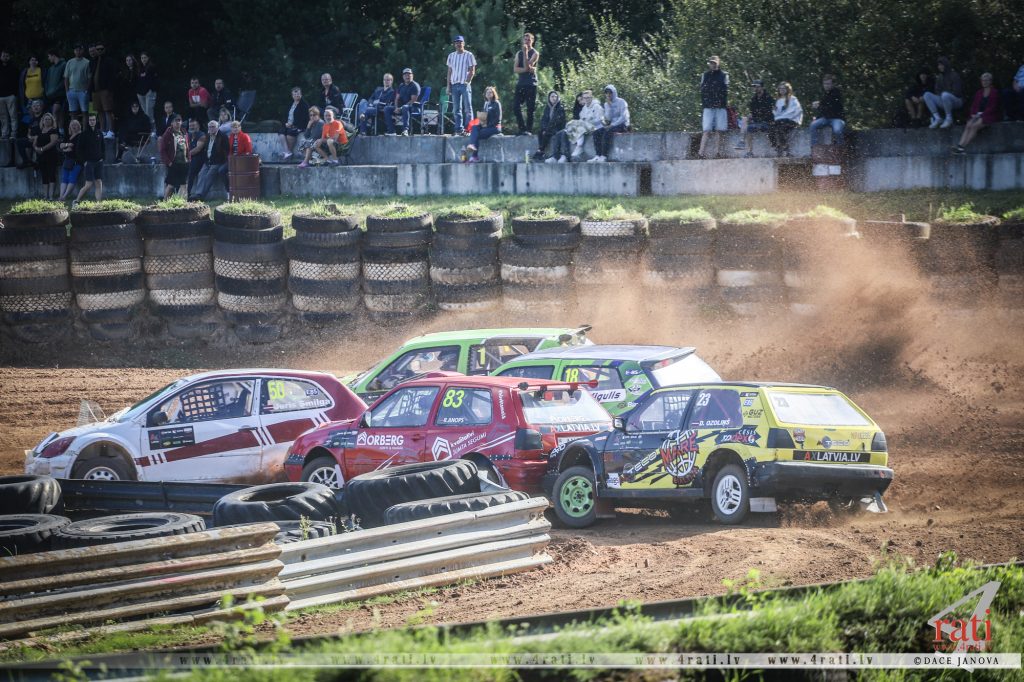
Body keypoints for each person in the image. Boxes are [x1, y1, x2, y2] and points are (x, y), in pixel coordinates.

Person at [953, 73, 1001, 154]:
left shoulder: (994, 92)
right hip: (977, 115)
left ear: (990, 81)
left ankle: (962, 147)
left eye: (986, 80)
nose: (984, 82)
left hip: (988, 115)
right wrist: (973, 114)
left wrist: (981, 115)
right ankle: (959, 145)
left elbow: (993, 107)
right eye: (983, 80)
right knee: (968, 124)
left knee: (975, 125)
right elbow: (974, 106)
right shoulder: (979, 92)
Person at [551, 89, 603, 162]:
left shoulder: (597, 106)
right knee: (569, 126)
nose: (586, 99)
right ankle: (560, 156)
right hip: (586, 127)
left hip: (596, 127)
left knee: (580, 125)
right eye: (584, 98)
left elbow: (599, 120)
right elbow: (581, 118)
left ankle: (579, 147)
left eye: (588, 98)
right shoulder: (584, 108)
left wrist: (587, 121)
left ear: (591, 98)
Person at [189, 119, 228, 200]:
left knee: (209, 176)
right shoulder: (207, 136)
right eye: (209, 127)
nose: (211, 128)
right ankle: (198, 194)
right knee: (201, 174)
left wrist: (221, 161)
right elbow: (206, 150)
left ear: (217, 127)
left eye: (213, 127)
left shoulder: (223, 136)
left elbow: (225, 151)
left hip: (217, 162)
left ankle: (201, 196)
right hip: (208, 161)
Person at [589, 84, 629, 163]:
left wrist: (612, 125)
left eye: (610, 93)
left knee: (608, 131)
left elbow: (623, 117)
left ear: (614, 93)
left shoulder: (621, 102)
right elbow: (608, 118)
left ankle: (604, 156)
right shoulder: (606, 104)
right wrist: (609, 106)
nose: (608, 95)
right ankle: (598, 155)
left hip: (623, 124)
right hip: (612, 125)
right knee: (596, 132)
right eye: (606, 93)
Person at [698, 55, 729, 159]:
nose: (713, 65)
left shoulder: (724, 75)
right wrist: (706, 102)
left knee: (719, 130)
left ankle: (717, 152)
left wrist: (720, 102)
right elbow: (702, 91)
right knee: (706, 130)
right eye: (711, 63)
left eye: (715, 63)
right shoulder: (705, 75)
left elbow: (725, 91)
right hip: (708, 107)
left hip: (720, 107)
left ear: (718, 63)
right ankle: (701, 153)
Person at [446, 35, 477, 134]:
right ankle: (459, 129)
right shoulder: (451, 56)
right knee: (456, 109)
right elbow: (449, 72)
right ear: (454, 44)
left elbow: (472, 71)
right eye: (456, 42)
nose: (458, 44)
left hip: (464, 84)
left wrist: (467, 82)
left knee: (468, 108)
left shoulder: (469, 55)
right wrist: (448, 86)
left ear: (464, 43)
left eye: (460, 42)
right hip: (454, 84)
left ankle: (469, 129)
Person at [735, 79, 773, 156]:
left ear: (762, 87)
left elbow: (768, 112)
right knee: (745, 119)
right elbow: (753, 112)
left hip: (767, 122)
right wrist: (750, 116)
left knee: (753, 126)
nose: (755, 88)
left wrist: (755, 115)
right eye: (754, 86)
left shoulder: (768, 98)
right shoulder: (753, 99)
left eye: (757, 86)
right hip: (757, 121)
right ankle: (745, 145)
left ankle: (769, 152)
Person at [924, 56, 964, 129]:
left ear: (946, 65)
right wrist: (942, 96)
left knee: (945, 95)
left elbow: (957, 92)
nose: (939, 67)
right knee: (927, 95)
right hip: (944, 99)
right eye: (939, 65)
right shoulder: (939, 77)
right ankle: (937, 118)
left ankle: (949, 119)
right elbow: (937, 91)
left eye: (941, 65)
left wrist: (945, 94)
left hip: (957, 100)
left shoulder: (954, 75)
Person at [464, 86, 501, 163]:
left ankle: (474, 156)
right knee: (474, 127)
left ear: (493, 94)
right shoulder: (486, 104)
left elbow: (498, 119)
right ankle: (472, 146)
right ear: (485, 94)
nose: (489, 94)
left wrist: (487, 125)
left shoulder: (496, 103)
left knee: (476, 135)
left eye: (490, 92)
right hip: (486, 126)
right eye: (487, 93)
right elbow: (484, 118)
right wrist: (480, 122)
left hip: (494, 127)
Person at [74, 112, 105, 204]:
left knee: (99, 182)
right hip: (89, 162)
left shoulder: (99, 133)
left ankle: (98, 204)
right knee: (89, 184)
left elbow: (103, 146)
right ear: (88, 121)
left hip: (99, 162)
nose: (92, 121)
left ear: (96, 121)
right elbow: (78, 149)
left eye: (93, 120)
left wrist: (102, 157)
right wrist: (84, 161)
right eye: (90, 120)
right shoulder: (84, 134)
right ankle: (76, 201)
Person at [512, 33, 539, 136]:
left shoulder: (535, 53)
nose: (527, 42)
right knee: (516, 107)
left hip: (531, 83)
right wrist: (526, 69)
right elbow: (516, 69)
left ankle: (529, 130)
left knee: (530, 109)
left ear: (532, 41)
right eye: (525, 40)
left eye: (529, 40)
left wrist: (526, 53)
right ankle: (522, 128)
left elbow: (527, 66)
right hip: (521, 83)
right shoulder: (518, 53)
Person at [808, 74, 845, 146]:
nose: (826, 85)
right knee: (813, 125)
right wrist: (817, 117)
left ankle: (841, 147)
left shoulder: (836, 93)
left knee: (837, 130)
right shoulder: (826, 93)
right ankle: (814, 147)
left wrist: (818, 106)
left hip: (837, 118)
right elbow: (824, 109)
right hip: (826, 118)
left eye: (828, 84)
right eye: (824, 84)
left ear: (833, 84)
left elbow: (830, 107)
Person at [159, 114, 189, 198]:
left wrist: (188, 159)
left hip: (184, 162)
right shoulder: (168, 134)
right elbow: (162, 150)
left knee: (184, 184)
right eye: (175, 120)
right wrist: (169, 162)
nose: (177, 122)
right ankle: (165, 202)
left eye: (179, 120)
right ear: (171, 123)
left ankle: (181, 203)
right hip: (173, 163)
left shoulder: (184, 133)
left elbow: (187, 147)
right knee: (171, 185)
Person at [90, 43, 117, 138]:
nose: (99, 51)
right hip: (95, 90)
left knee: (108, 110)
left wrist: (109, 88)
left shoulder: (109, 61)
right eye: (98, 49)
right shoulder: (93, 61)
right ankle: (103, 130)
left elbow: (113, 75)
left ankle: (111, 131)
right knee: (99, 111)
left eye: (101, 49)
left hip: (105, 90)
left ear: (104, 49)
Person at [769, 81, 802, 157]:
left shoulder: (793, 99)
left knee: (780, 128)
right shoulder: (778, 100)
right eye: (780, 89)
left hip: (791, 120)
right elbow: (777, 113)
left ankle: (784, 147)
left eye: (784, 89)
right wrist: (775, 112)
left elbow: (798, 110)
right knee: (770, 129)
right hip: (780, 120)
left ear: (787, 90)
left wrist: (794, 119)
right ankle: (777, 146)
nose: (782, 90)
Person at [385, 68, 420, 136]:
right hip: (401, 107)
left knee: (405, 107)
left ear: (412, 75)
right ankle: (391, 131)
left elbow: (413, 100)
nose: (407, 76)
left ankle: (405, 130)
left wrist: (400, 108)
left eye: (409, 75)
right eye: (405, 75)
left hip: (413, 107)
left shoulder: (415, 86)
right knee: (387, 109)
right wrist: (396, 107)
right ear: (403, 76)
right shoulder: (401, 85)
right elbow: (396, 98)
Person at [33, 112, 60, 199]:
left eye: (49, 119)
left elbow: (53, 142)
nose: (47, 121)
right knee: (44, 175)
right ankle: (45, 196)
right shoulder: (39, 131)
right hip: (41, 156)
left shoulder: (53, 130)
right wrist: (36, 148)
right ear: (43, 121)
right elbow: (34, 143)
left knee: (51, 174)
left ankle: (51, 196)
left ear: (52, 121)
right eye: (45, 119)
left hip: (51, 156)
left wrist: (42, 149)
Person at [62, 44, 90, 127]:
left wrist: (87, 90)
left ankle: (84, 131)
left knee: (85, 112)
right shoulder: (70, 62)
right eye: (76, 50)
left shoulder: (87, 62)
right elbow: (66, 77)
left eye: (79, 49)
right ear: (74, 51)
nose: (78, 51)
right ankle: (75, 130)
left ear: (82, 50)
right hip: (71, 91)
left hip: (83, 91)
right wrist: (67, 91)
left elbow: (89, 78)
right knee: (73, 113)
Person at [280, 87, 310, 158]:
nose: (297, 95)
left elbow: (304, 118)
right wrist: (286, 123)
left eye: (298, 94)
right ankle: (287, 151)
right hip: (289, 125)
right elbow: (285, 115)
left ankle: (289, 152)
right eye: (295, 94)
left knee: (290, 133)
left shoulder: (304, 105)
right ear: (292, 96)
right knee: (281, 132)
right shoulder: (290, 104)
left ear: (301, 94)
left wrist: (292, 124)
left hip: (299, 126)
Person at [536, 91, 566, 161]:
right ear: (549, 98)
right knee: (540, 132)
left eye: (555, 96)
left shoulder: (560, 107)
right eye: (552, 96)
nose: (554, 98)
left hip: (558, 128)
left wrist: (547, 129)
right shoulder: (547, 108)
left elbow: (557, 120)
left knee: (547, 133)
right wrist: (544, 128)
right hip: (549, 128)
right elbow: (544, 119)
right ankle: (541, 150)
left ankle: (541, 150)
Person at [15, 99, 44, 169]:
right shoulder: (32, 120)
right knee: (19, 141)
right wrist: (29, 137)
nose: (36, 107)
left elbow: (46, 131)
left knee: (39, 142)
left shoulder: (44, 117)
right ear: (32, 108)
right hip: (33, 139)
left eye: (37, 105)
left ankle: (39, 162)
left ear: (41, 107)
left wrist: (35, 137)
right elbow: (29, 132)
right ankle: (26, 161)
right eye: (34, 106)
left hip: (42, 139)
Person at [58, 118, 83, 200]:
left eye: (76, 125)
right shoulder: (68, 136)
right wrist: (67, 145)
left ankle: (64, 196)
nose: (74, 126)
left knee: (72, 178)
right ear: (70, 127)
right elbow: (61, 146)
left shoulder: (81, 136)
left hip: (77, 161)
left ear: (79, 126)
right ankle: (61, 196)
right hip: (67, 160)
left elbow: (74, 148)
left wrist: (65, 147)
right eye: (72, 125)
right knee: (64, 178)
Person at [44, 50, 66, 132]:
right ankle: (60, 131)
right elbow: (47, 81)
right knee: (58, 113)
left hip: (60, 94)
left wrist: (57, 89)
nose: (48, 58)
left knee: (56, 111)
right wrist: (47, 92)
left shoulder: (64, 65)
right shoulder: (51, 68)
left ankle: (56, 131)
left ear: (53, 55)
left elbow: (64, 80)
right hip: (50, 95)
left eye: (49, 56)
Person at [136, 51, 158, 129]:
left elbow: (153, 80)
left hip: (150, 92)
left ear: (148, 58)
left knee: (149, 112)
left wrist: (151, 90)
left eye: (145, 57)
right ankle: (147, 130)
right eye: (142, 58)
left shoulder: (152, 67)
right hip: (141, 93)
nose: (143, 59)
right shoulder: (139, 68)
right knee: (145, 113)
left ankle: (153, 130)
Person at [186, 117, 206, 193]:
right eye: (190, 125)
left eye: (193, 125)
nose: (191, 127)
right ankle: (178, 192)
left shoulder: (202, 135)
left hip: (198, 158)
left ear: (198, 125)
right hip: (189, 157)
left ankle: (187, 193)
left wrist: (186, 155)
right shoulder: (188, 135)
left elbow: (198, 149)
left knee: (190, 171)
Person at [0, 49, 16, 141]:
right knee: (3, 116)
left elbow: (17, 81)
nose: (5, 57)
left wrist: (15, 94)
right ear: (0, 56)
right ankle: (4, 133)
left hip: (10, 95)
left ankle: (14, 133)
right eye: (3, 56)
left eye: (7, 56)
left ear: (9, 57)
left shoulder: (13, 67)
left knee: (13, 115)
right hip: (0, 96)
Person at [117, 54, 139, 120]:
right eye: (127, 60)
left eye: (130, 60)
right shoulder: (125, 71)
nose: (128, 62)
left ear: (133, 61)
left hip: (135, 94)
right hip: (127, 95)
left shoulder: (137, 70)